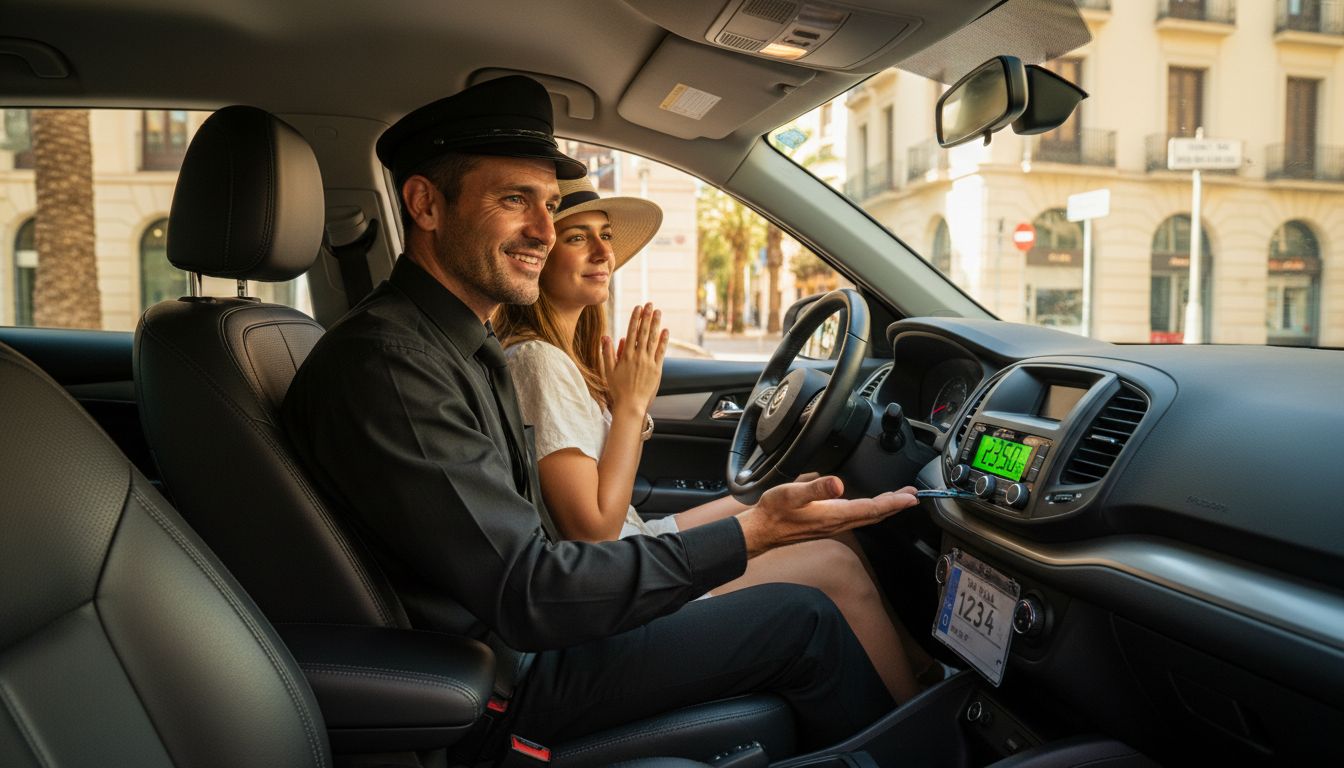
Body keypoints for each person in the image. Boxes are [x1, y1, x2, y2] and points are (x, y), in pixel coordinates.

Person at [281, 75, 920, 752]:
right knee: (804, 617)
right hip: (506, 680)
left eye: (550, 204)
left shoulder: (455, 345)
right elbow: (529, 589)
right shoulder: (392, 364)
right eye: (514, 200)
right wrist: (752, 532)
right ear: (426, 205)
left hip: (520, 642)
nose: (543, 229)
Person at [495, 178, 931, 702]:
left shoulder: (560, 359)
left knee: (823, 511)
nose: (603, 251)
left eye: (606, 235)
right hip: (622, 581)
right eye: (577, 237)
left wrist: (621, 405)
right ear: (539, 256)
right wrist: (632, 406)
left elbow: (611, 510)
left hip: (639, 547)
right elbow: (593, 536)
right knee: (834, 566)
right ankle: (917, 725)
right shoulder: (537, 360)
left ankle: (923, 677)